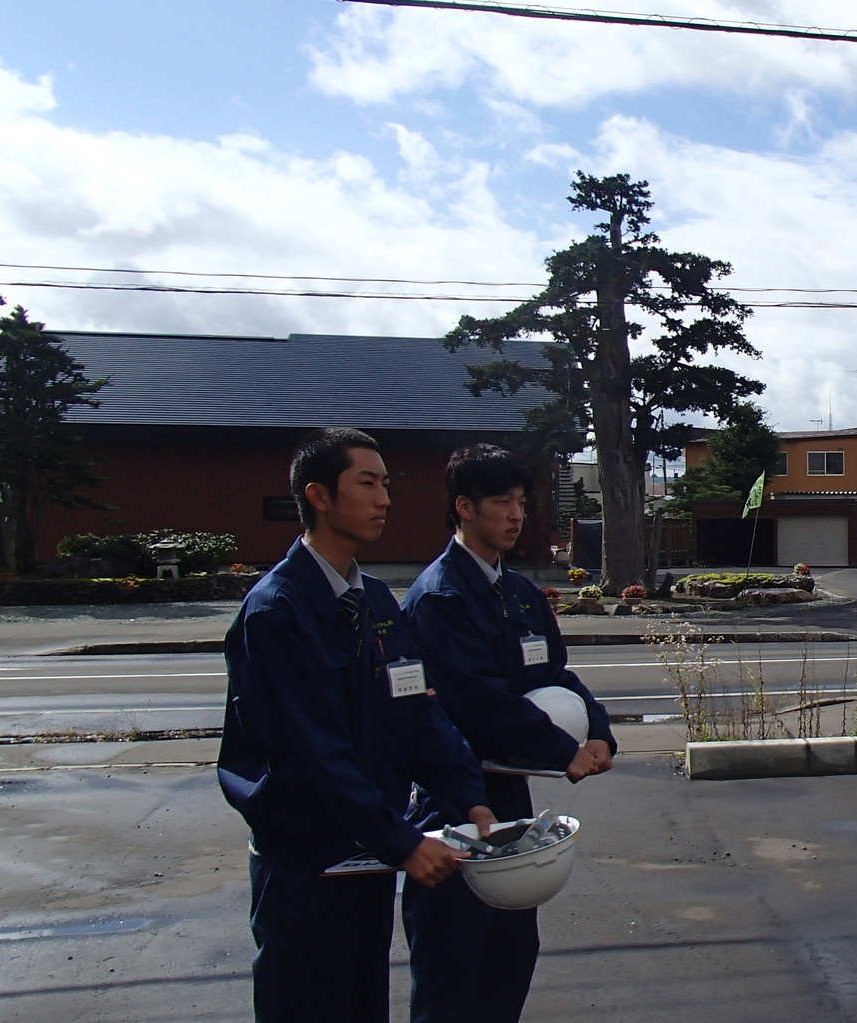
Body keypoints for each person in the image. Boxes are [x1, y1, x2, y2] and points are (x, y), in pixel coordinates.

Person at [218, 428, 495, 1023]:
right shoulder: (276, 610)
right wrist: (400, 842)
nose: (384, 499)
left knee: (363, 1003)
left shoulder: (375, 601)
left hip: (367, 856)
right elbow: (306, 752)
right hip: (306, 865)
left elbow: (417, 708)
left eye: (387, 484)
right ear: (318, 496)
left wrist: (468, 794)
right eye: (367, 483)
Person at [401, 444, 617, 1023]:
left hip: (511, 800)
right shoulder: (439, 599)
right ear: (463, 507)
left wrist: (598, 733)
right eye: (502, 501)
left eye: (520, 501)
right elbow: (478, 704)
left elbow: (555, 676)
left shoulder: (519, 594)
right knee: (452, 969)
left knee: (510, 955)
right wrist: (562, 751)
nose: (516, 514)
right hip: (450, 808)